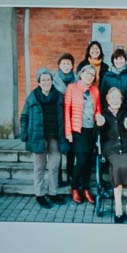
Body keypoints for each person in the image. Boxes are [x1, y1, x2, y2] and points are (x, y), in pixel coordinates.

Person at [18, 68, 66, 209]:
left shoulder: (59, 96)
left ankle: (53, 193)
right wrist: (24, 133)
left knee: (54, 166)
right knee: (39, 167)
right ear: (39, 82)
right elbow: (24, 116)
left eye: (48, 79)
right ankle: (39, 194)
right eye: (43, 80)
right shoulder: (32, 97)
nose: (46, 82)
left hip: (55, 136)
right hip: (38, 137)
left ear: (52, 81)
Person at [98, 84, 127, 224]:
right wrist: (99, 125)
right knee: (117, 166)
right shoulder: (103, 114)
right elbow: (97, 135)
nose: (115, 100)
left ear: (122, 100)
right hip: (111, 148)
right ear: (107, 99)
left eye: (118, 98)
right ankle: (118, 207)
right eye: (112, 97)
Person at [63, 63, 103, 205]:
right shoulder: (72, 88)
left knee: (88, 162)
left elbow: (98, 109)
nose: (89, 76)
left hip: (91, 130)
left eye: (92, 74)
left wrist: (98, 116)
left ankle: (86, 189)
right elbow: (66, 111)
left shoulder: (95, 90)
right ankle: (75, 188)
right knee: (81, 161)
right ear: (81, 74)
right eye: (87, 73)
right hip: (77, 130)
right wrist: (68, 132)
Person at [53, 53, 78, 191]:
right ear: (59, 65)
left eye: (69, 63)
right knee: (57, 151)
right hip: (58, 119)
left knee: (71, 150)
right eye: (63, 63)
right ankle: (57, 178)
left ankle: (70, 175)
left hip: (73, 119)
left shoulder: (77, 80)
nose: (66, 66)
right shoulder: (53, 80)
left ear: (72, 66)